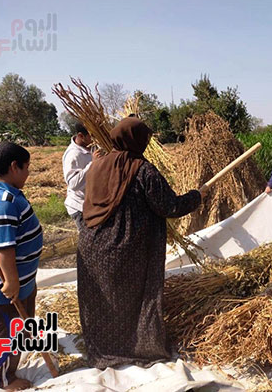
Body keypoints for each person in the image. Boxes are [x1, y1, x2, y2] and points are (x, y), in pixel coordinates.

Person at [77, 118, 206, 369]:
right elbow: (170, 206)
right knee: (135, 298)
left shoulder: (98, 165)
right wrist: (197, 196)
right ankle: (139, 348)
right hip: (124, 248)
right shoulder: (143, 169)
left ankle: (104, 349)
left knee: (105, 301)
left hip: (92, 246)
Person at [0, 142, 42, 390]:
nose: (28, 173)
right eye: (26, 168)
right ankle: (2, 379)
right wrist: (12, 281)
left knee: (18, 326)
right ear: (14, 166)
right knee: (5, 329)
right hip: (5, 282)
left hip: (20, 278)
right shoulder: (4, 201)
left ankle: (11, 366)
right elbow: (3, 248)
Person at [62, 123, 101, 229]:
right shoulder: (73, 155)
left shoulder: (92, 147)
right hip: (80, 207)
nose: (96, 138)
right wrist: (93, 164)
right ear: (81, 136)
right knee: (89, 243)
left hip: (93, 204)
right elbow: (73, 184)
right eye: (92, 135)